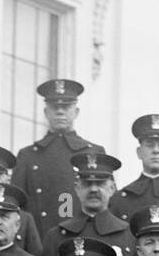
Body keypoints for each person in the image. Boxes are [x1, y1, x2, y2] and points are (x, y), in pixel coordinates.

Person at [11, 78, 102, 239]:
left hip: (83, 240)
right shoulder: (28, 155)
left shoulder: (94, 153)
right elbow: (17, 207)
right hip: (39, 242)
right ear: (46, 112)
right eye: (55, 107)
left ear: (76, 112)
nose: (60, 112)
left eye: (66, 107)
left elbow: (104, 204)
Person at [43, 151, 133, 256]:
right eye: (87, 184)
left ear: (112, 188)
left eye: (100, 184)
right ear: (77, 188)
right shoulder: (56, 237)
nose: (93, 189)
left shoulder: (129, 235)